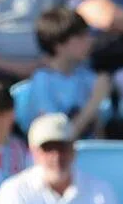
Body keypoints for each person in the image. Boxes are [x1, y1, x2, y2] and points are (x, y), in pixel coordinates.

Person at [12, 8, 109, 136]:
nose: (89, 40)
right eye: (81, 37)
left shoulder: (88, 77)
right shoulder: (42, 81)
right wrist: (95, 101)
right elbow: (57, 138)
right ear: (59, 44)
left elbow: (99, 132)